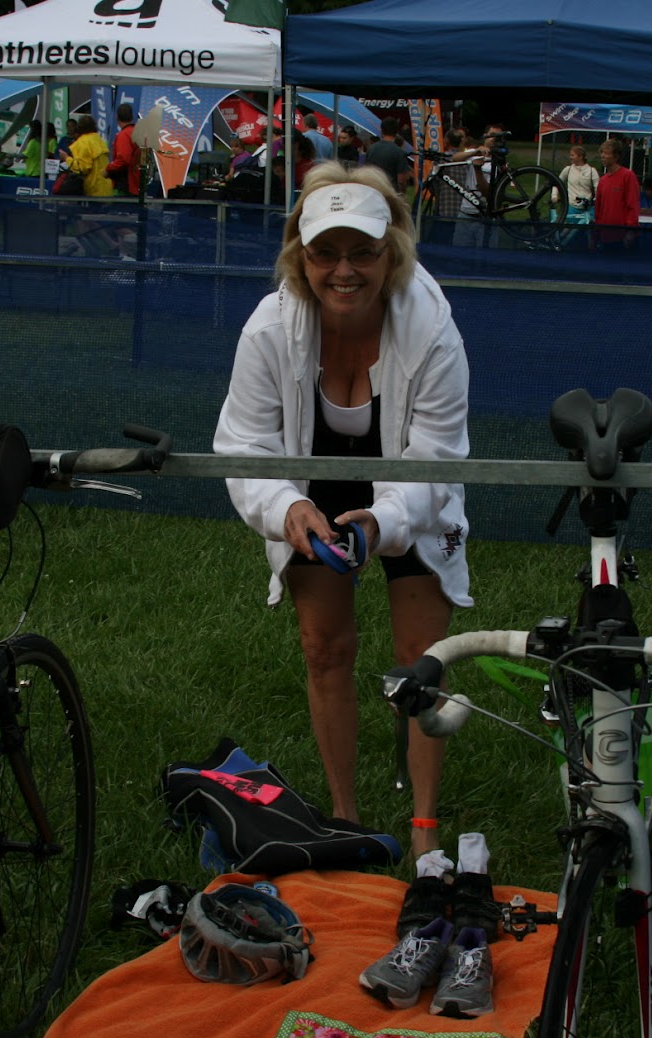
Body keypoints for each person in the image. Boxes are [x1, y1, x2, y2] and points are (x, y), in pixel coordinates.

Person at [213, 163, 471, 861]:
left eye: (363, 252)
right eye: (325, 252)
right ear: (300, 255)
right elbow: (243, 445)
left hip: (411, 479)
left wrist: (386, 521)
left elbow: (437, 457)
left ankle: (424, 829)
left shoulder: (433, 328)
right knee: (324, 648)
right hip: (314, 475)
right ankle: (344, 818)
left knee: (421, 658)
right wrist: (287, 506)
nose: (344, 270)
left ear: (393, 252)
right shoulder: (269, 329)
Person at [593, 138, 639, 241]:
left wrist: (631, 230)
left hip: (622, 234)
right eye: (602, 153)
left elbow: (632, 204)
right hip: (605, 234)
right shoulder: (603, 180)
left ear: (616, 156)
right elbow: (599, 208)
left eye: (606, 153)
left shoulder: (628, 176)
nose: (602, 156)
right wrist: (597, 230)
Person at [60, 114, 112, 197]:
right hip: (106, 186)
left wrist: (66, 158)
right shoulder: (99, 139)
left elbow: (82, 168)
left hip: (93, 189)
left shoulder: (83, 142)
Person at [364, 117, 409, 192]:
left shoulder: (371, 149)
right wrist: (402, 194)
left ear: (382, 130)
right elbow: (401, 181)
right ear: (396, 132)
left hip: (374, 190)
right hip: (391, 193)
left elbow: (366, 172)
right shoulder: (400, 152)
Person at [106, 103, 142, 196]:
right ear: (132, 116)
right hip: (137, 182)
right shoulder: (137, 133)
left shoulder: (124, 135)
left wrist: (108, 169)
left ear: (117, 117)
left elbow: (123, 159)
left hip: (126, 184)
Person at [557, 144, 598, 225]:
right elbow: (557, 182)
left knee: (587, 228)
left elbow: (597, 187)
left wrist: (595, 199)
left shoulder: (591, 171)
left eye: (573, 155)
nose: (570, 157)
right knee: (571, 228)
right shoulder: (568, 169)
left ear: (580, 156)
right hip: (571, 206)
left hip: (587, 207)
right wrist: (554, 196)